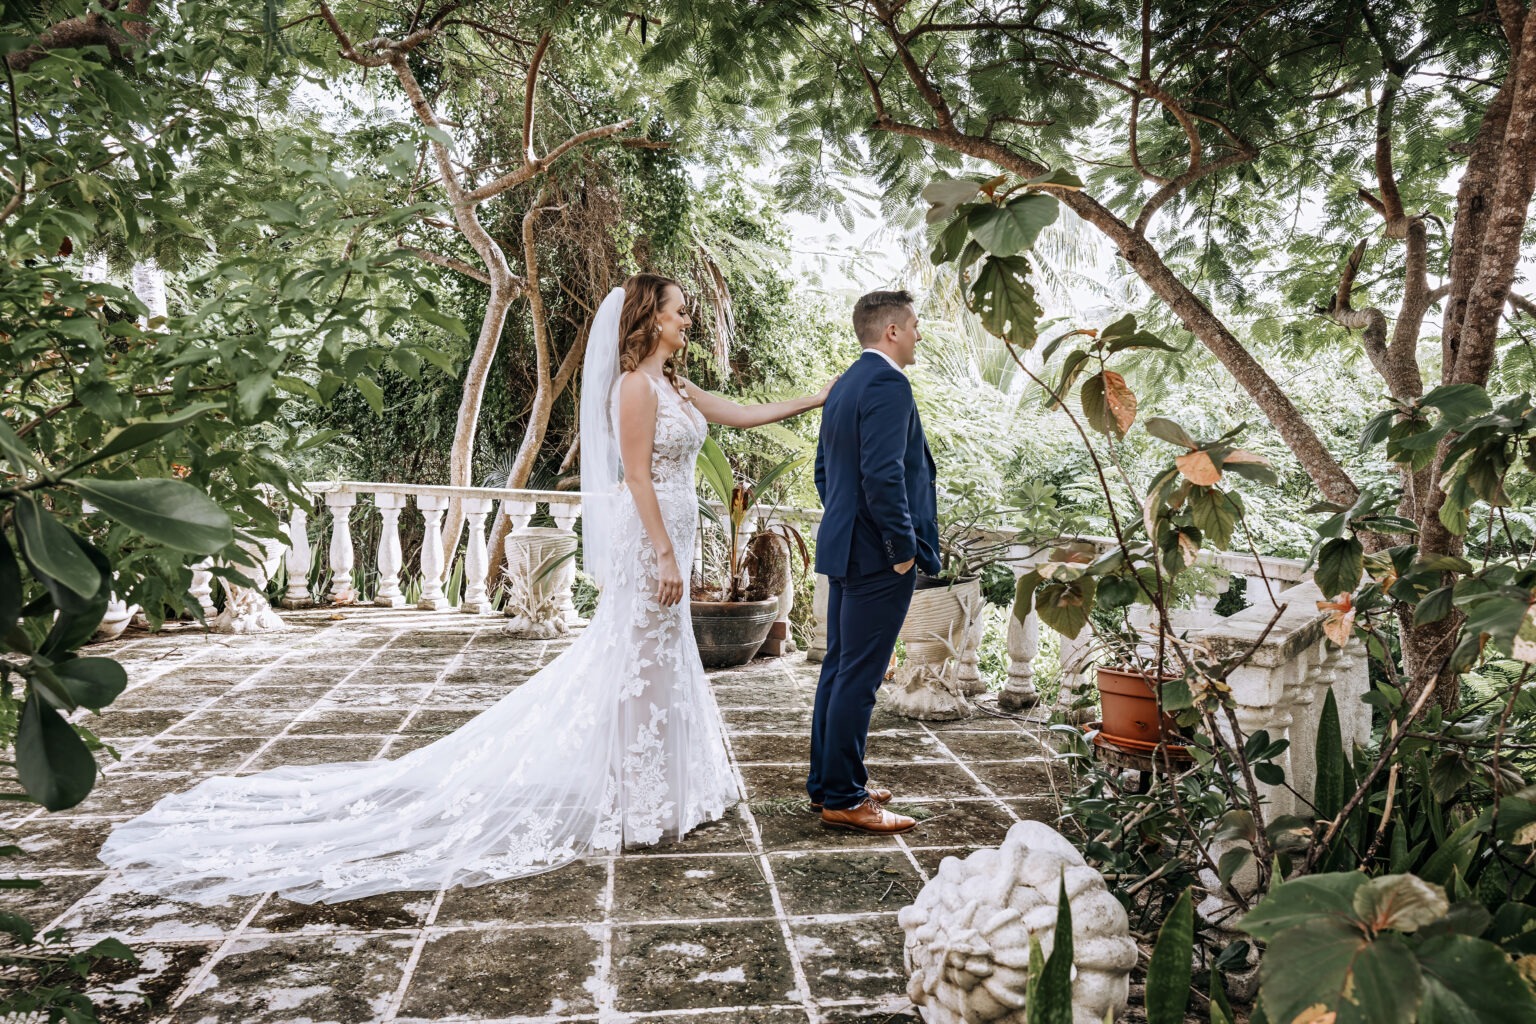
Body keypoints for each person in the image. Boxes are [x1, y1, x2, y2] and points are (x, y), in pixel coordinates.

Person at [99, 273, 833, 905]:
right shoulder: (635, 390)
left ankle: (662, 786)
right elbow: (635, 477)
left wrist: (818, 397)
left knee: (660, 661)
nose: (686, 319)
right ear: (646, 319)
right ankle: (637, 794)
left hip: (672, 526)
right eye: (676, 309)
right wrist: (667, 556)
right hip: (652, 541)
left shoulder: (676, 384)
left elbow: (743, 415)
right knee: (637, 660)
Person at [807, 289, 941, 835]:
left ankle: (831, 783)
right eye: (912, 325)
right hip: (877, 559)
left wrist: (847, 526)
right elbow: (884, 476)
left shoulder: (844, 385)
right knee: (858, 677)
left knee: (840, 669)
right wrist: (901, 552)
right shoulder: (887, 383)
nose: (916, 335)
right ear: (891, 331)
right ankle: (844, 796)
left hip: (846, 546)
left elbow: (824, 472)